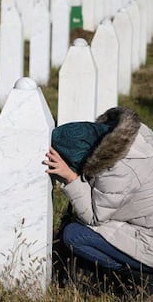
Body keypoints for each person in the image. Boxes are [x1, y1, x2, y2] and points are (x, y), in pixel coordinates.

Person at [43, 107, 153, 288]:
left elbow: (94, 217)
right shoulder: (136, 135)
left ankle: (138, 278)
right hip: (145, 225)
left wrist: (70, 178)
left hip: (149, 245)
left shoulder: (118, 170)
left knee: (74, 235)